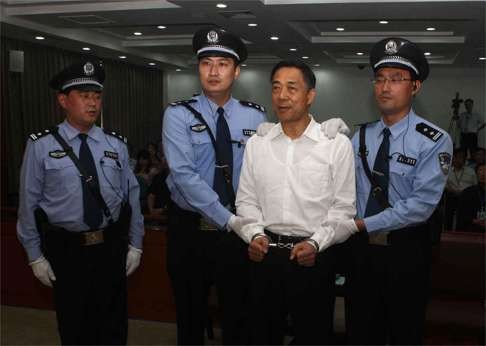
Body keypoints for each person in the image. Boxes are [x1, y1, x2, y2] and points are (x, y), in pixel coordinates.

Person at [16, 61, 144, 345]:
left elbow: (132, 198)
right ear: (63, 100)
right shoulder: (41, 146)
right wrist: (34, 255)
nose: (92, 103)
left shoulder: (116, 145)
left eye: (96, 96)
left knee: (113, 327)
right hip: (67, 250)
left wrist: (136, 244)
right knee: (75, 328)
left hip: (110, 247)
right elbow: (28, 204)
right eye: (84, 96)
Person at [234, 60, 357, 345]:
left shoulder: (335, 144)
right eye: (276, 88)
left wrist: (315, 244)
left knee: (313, 335)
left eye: (292, 88)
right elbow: (247, 199)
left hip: (314, 257)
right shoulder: (258, 144)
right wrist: (253, 234)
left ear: (310, 96)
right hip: (265, 256)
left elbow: (343, 208)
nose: (282, 96)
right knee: (262, 335)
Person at [162, 27, 267, 345]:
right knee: (190, 317)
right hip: (191, 231)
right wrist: (229, 219)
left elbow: (273, 162)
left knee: (240, 316)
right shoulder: (178, 115)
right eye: (206, 63)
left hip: (237, 234)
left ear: (236, 71)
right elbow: (184, 175)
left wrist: (322, 133)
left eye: (222, 63)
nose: (213, 70)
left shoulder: (255, 117)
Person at [346, 38, 453, 345]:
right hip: (362, 251)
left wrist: (365, 224)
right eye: (379, 79)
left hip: (405, 251)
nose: (385, 87)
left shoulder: (433, 140)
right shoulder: (360, 136)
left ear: (415, 87)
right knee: (361, 329)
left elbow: (421, 205)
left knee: (404, 331)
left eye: (396, 79)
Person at [445, 148, 477, 229]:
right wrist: (451, 190)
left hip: (467, 198)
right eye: (456, 157)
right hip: (451, 196)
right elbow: (444, 185)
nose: (458, 160)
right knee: (448, 217)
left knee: (464, 218)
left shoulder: (471, 171)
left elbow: (475, 185)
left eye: (461, 157)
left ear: (464, 159)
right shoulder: (447, 171)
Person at [456, 162, 486, 232]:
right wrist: (475, 221)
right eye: (480, 170)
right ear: (476, 174)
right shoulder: (467, 192)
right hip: (472, 228)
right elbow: (462, 214)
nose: (483, 174)